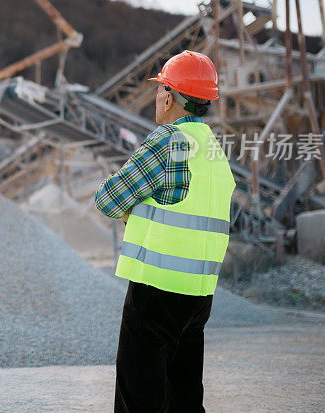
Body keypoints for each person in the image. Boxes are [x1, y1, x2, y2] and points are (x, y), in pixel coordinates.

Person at [94, 50, 235, 413]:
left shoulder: (166, 142)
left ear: (169, 96)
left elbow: (108, 199)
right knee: (184, 398)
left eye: (160, 90)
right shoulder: (215, 152)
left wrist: (134, 213)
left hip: (155, 293)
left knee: (139, 399)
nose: (157, 97)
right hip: (198, 296)